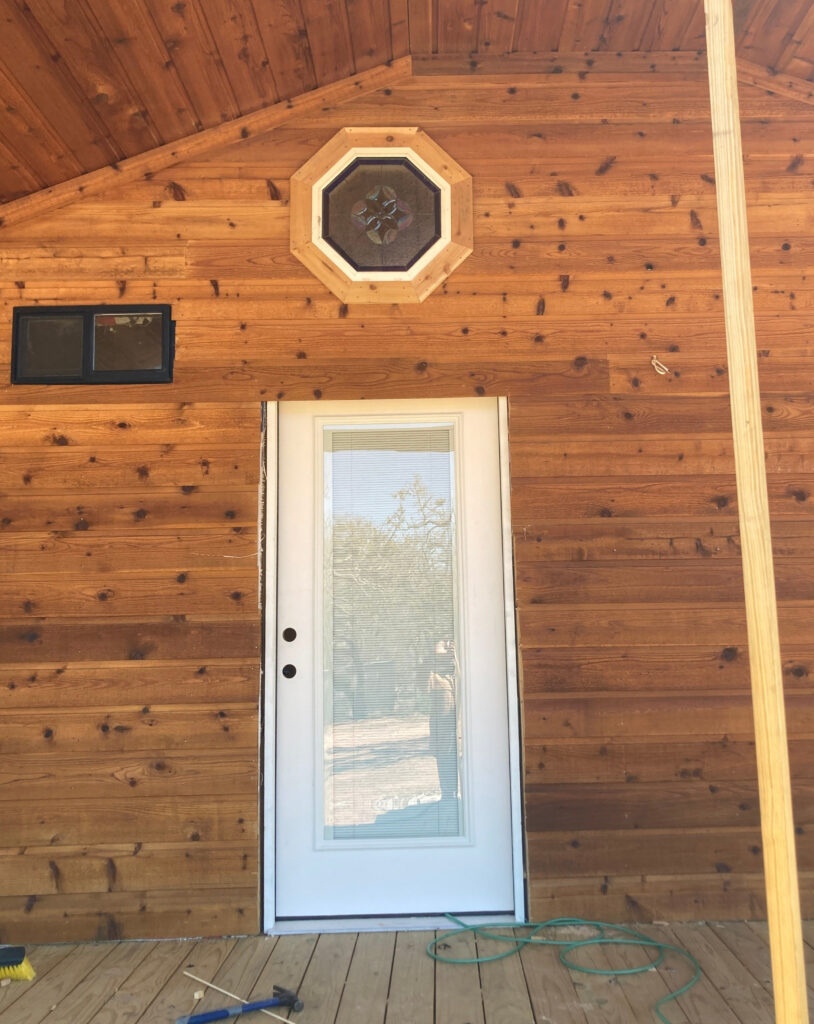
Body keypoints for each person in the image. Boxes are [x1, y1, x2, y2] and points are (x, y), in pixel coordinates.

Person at [428, 639, 459, 802]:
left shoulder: (460, 675)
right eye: (441, 657)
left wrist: (456, 657)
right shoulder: (433, 677)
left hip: (460, 725)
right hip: (443, 727)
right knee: (445, 759)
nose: (445, 660)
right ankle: (448, 794)